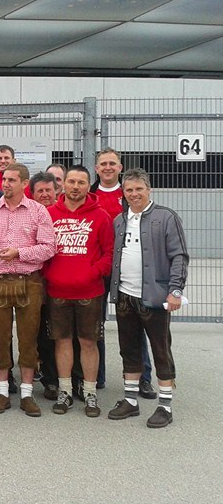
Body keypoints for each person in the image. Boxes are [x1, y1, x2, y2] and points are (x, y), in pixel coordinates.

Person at [108, 168, 188, 429]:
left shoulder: (166, 217)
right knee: (129, 348)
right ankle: (130, 400)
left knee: (160, 349)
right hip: (124, 296)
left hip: (154, 298)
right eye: (129, 190)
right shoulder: (120, 220)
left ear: (148, 189)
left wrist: (175, 290)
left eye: (138, 189)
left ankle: (165, 405)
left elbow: (179, 256)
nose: (134, 194)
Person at [0, 163, 56, 417]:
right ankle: (2, 392)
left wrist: (18, 253)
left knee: (28, 338)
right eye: (4, 179)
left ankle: (26, 393)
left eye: (12, 180)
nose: (6, 183)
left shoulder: (38, 211)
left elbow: (48, 248)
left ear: (25, 183)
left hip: (29, 280)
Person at [44, 166, 113, 417]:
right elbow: (42, 250)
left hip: (90, 292)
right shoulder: (49, 214)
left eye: (81, 182)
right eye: (71, 181)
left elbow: (108, 254)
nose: (75, 186)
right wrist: (52, 274)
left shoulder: (101, 216)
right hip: (57, 291)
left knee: (88, 342)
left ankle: (90, 392)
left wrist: (91, 274)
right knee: (62, 342)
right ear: (64, 185)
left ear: (88, 185)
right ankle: (64, 391)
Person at [92, 148, 154, 398]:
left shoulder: (130, 193)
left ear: (120, 167)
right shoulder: (90, 194)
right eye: (103, 163)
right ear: (96, 168)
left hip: (126, 269)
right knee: (95, 325)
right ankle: (96, 376)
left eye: (112, 163)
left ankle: (143, 378)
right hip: (99, 268)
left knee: (136, 325)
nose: (107, 167)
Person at [28, 171, 61, 401]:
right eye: (40, 190)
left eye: (48, 190)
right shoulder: (29, 214)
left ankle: (66, 378)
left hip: (60, 283)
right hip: (35, 283)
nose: (45, 194)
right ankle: (46, 379)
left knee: (58, 334)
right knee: (37, 333)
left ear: (56, 191)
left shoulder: (62, 214)